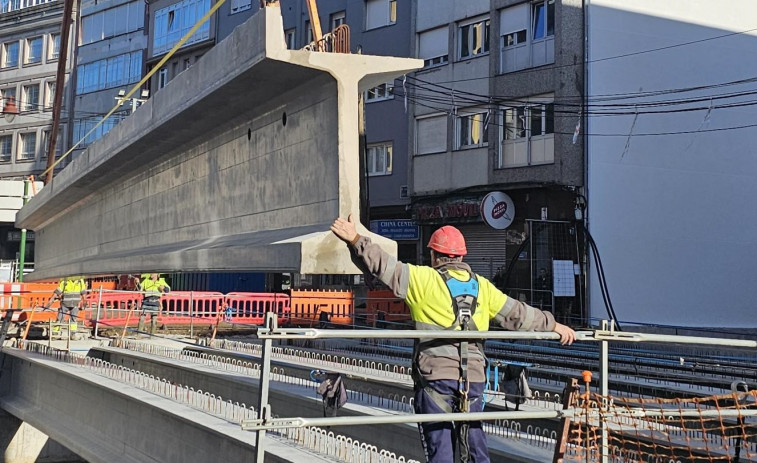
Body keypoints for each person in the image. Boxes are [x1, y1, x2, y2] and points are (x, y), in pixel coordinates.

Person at [331, 215, 575, 463]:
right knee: (475, 446)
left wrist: (354, 238)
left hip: (435, 380)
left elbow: (382, 265)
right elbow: (519, 315)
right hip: (474, 381)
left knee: (440, 450)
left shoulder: (422, 279)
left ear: (435, 256)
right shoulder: (483, 287)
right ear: (461, 257)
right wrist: (554, 324)